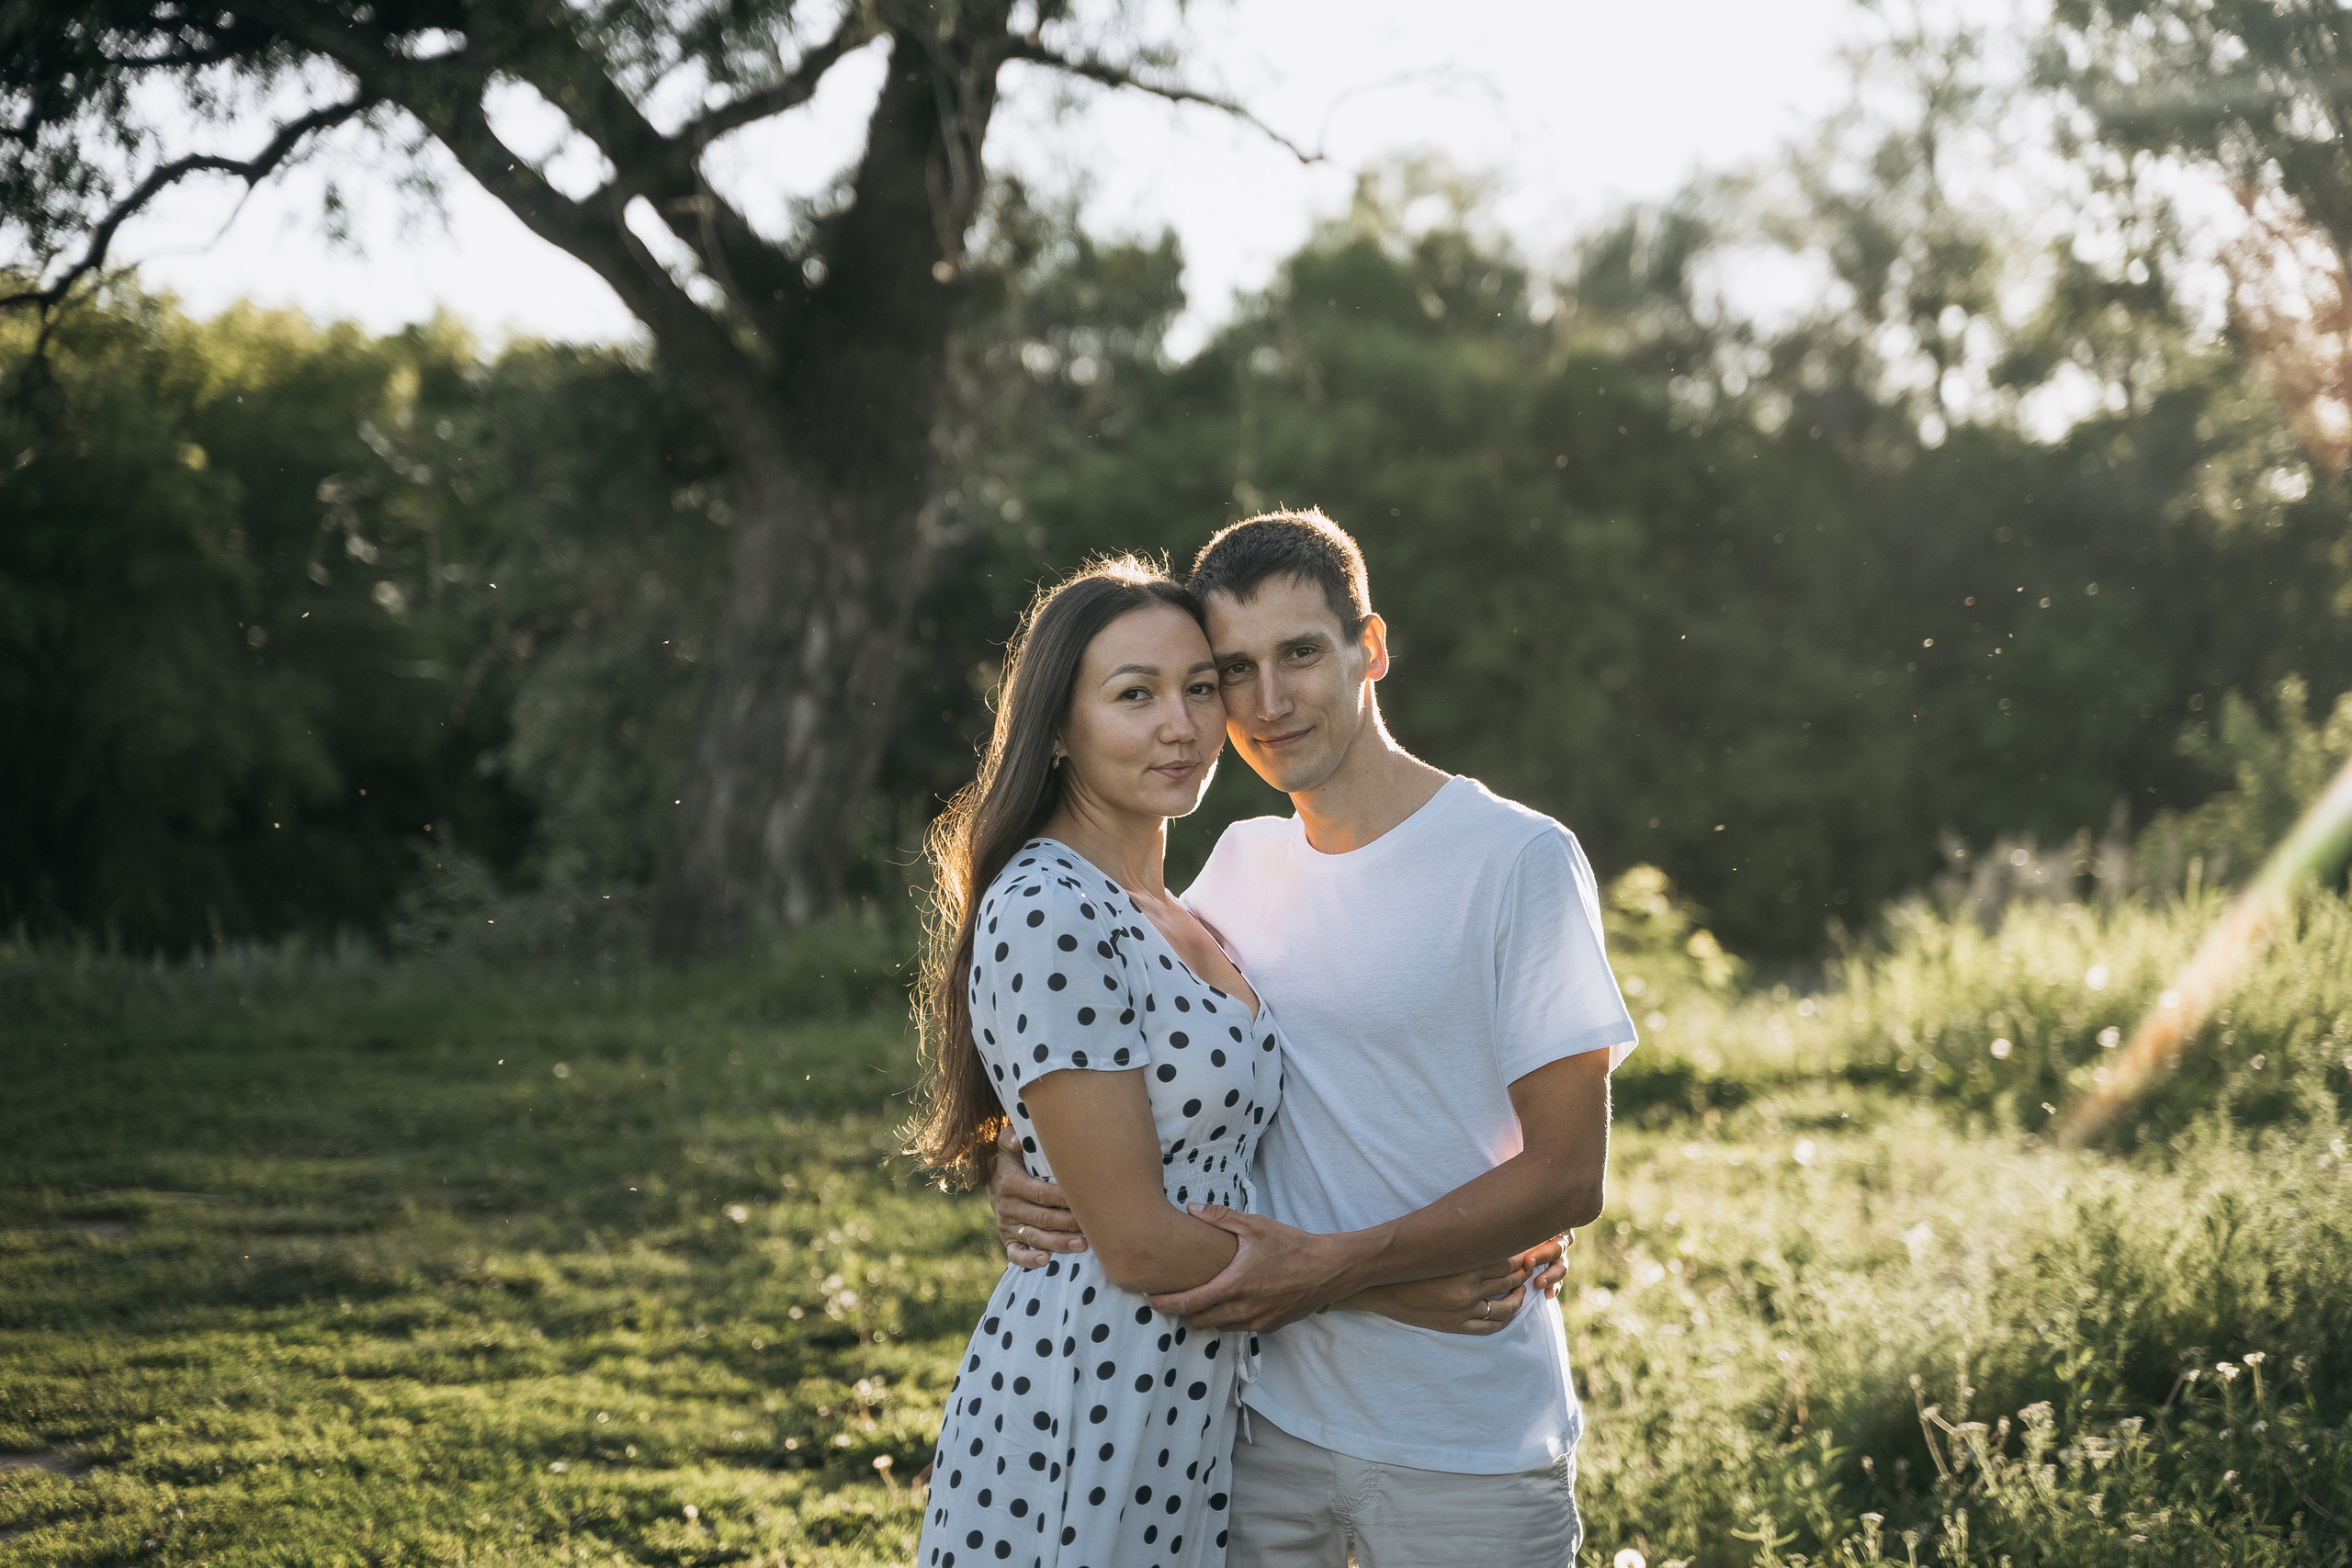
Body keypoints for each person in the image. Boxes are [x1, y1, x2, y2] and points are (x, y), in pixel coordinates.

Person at [988, 513, 1637, 1567]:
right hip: (1256, 1426)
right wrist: (1013, 1158)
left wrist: (1339, 1267)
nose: (1268, 702)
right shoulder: (1236, 869)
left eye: (1300, 654)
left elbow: (1568, 1175)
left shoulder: (1514, 859)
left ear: (1367, 649)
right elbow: (1103, 1036)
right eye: (1231, 671)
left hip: (1463, 1431)